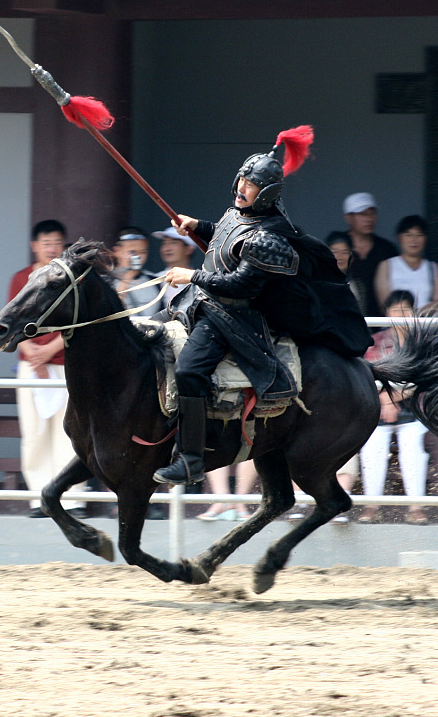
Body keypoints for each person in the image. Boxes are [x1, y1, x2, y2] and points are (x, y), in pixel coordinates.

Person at [157, 127, 372, 486]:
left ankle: (191, 458)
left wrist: (191, 276)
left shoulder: (269, 238)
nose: (241, 187)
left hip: (232, 316)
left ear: (267, 193)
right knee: (146, 339)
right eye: (242, 179)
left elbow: (239, 284)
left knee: (189, 373)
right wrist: (198, 225)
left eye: (251, 184)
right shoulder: (239, 212)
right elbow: (227, 235)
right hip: (199, 304)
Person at [8, 220, 84, 518]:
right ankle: (39, 497)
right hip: (31, 366)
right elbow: (11, 321)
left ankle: (72, 500)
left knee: (69, 433)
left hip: (67, 364)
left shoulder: (72, 278)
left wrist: (49, 352)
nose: (51, 248)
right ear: (34, 245)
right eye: (46, 242)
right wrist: (33, 355)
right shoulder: (20, 278)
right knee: (34, 433)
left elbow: (77, 323)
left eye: (57, 242)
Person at [357, 291, 430, 525]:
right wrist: (386, 402)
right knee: (372, 449)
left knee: (412, 450)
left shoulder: (421, 341)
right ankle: (371, 507)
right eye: (395, 310)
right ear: (387, 313)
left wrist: (393, 399)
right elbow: (367, 375)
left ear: (414, 312)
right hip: (378, 410)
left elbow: (420, 378)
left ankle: (416, 508)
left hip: (414, 412)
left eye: (405, 309)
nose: (400, 314)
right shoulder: (376, 341)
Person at [342, 192, 398, 318]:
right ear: (348, 218)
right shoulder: (338, 247)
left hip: (382, 320)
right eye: (362, 214)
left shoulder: (386, 248)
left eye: (372, 213)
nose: (369, 218)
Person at [372, 215, 438, 311]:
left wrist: (416, 316)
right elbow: (384, 303)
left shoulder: (434, 268)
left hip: (426, 324)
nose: (414, 240)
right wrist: (406, 315)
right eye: (408, 235)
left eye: (419, 235)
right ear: (399, 237)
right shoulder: (386, 266)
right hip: (396, 323)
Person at [111, 227, 164, 314]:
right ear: (117, 251)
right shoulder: (105, 280)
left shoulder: (155, 281)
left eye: (142, 252)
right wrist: (127, 279)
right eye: (132, 252)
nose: (138, 257)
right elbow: (109, 309)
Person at [153, 225, 199, 312]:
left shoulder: (200, 281)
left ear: (189, 249)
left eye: (174, 242)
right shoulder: (154, 280)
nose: (167, 248)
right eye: (164, 243)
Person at [325, 231, 365, 311]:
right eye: (335, 252)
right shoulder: (317, 281)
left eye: (344, 252)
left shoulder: (358, 283)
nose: (339, 257)